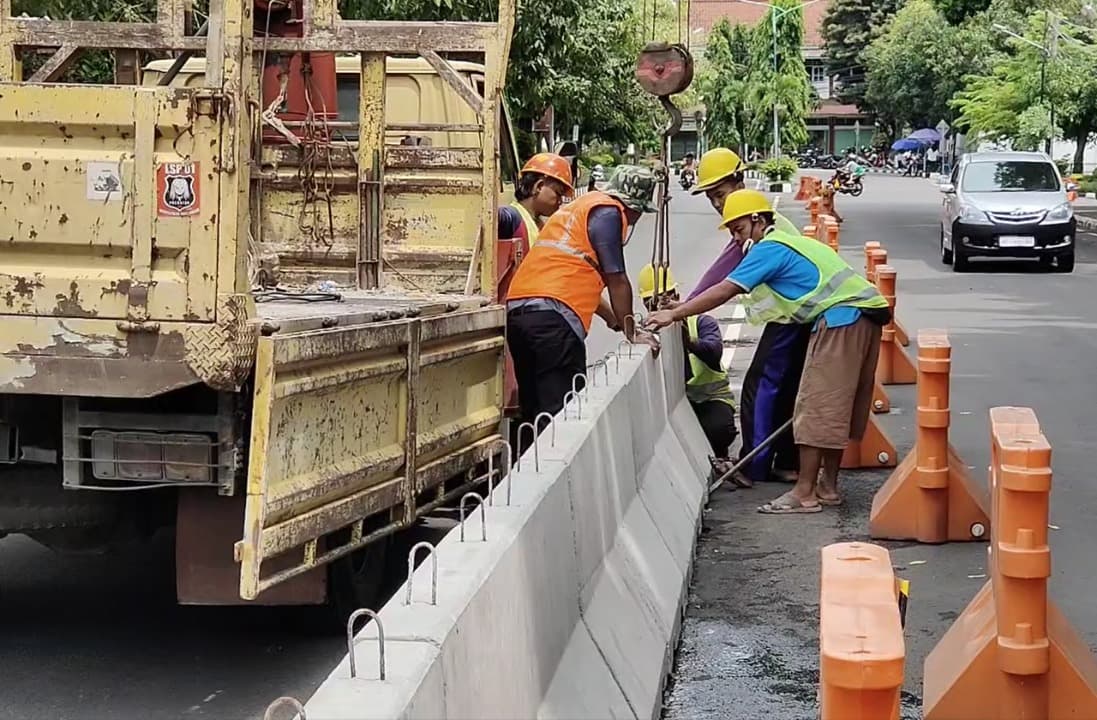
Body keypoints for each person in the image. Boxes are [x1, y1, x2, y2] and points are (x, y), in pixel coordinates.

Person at [645, 189, 891, 514]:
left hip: (841, 320)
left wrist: (676, 314)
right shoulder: (791, 242)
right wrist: (687, 304)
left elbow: (727, 287)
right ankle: (827, 487)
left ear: (757, 220)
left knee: (816, 406)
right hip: (866, 316)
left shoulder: (770, 247)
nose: (737, 237)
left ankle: (804, 494)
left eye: (739, 229)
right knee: (836, 406)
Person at [687, 147, 810, 488]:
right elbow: (723, 267)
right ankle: (785, 463)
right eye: (711, 197)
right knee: (783, 391)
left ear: (739, 182)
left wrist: (682, 310)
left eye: (721, 194)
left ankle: (753, 465)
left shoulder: (762, 227)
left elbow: (724, 280)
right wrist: (685, 305)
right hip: (794, 316)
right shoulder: (751, 221)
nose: (717, 203)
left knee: (760, 388)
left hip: (792, 319)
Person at [506, 165, 662, 434]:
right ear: (633, 206)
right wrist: (631, 332)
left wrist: (613, 319)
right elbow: (616, 278)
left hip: (520, 312)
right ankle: (550, 472)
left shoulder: (577, 210)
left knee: (533, 408)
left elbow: (574, 274)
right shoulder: (609, 212)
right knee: (559, 410)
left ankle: (525, 469)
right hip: (553, 322)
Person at [638, 263, 738, 475]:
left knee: (717, 430)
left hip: (710, 399)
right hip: (676, 405)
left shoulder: (700, 322)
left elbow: (714, 352)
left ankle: (720, 455)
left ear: (676, 295)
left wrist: (689, 342)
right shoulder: (647, 334)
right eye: (652, 303)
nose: (660, 307)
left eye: (666, 299)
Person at [497, 152, 574, 249]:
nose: (560, 201)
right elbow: (495, 216)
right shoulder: (511, 216)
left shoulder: (539, 224)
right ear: (539, 186)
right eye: (558, 193)